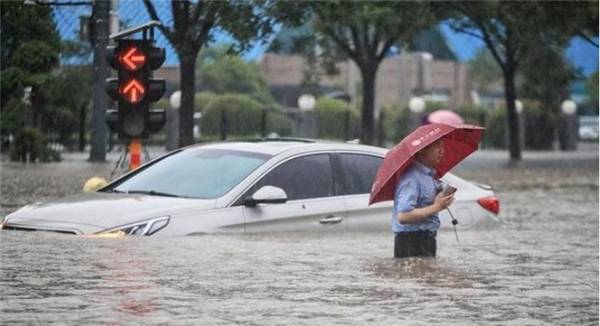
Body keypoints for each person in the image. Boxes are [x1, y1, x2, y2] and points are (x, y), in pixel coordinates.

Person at [392, 139, 455, 258]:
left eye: (442, 146)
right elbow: (403, 216)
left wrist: (441, 196)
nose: (442, 151)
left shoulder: (429, 176)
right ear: (422, 151)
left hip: (426, 239)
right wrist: (436, 207)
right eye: (437, 147)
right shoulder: (412, 178)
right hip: (411, 242)